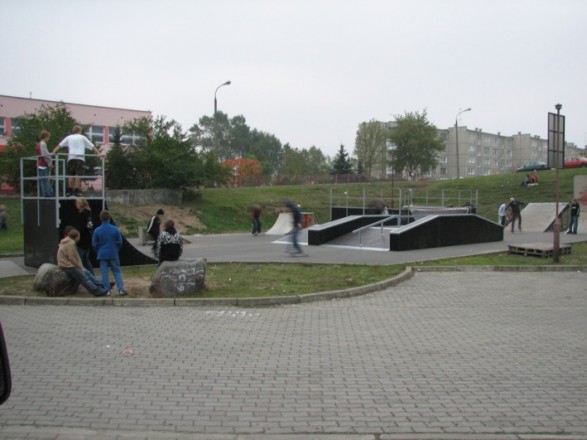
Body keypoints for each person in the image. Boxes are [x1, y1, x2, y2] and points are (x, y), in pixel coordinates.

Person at [57, 228, 109, 297]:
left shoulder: (68, 242)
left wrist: (80, 266)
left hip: (68, 265)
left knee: (87, 272)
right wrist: (79, 266)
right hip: (68, 266)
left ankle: (101, 284)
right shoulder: (70, 244)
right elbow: (72, 258)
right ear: (76, 237)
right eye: (79, 236)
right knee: (84, 278)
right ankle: (97, 291)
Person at [52, 125, 101, 197]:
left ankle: (70, 190)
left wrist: (53, 152)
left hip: (71, 157)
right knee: (78, 174)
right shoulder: (82, 137)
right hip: (80, 158)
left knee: (71, 174)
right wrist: (98, 153)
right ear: (79, 131)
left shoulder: (69, 137)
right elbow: (92, 146)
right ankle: (76, 190)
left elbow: (60, 145)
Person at [92, 210, 127, 296]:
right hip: (113, 253)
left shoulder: (97, 230)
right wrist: (116, 249)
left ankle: (107, 290)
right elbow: (120, 242)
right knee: (117, 272)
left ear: (100, 219)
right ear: (109, 218)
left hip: (102, 254)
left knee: (104, 273)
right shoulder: (115, 229)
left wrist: (99, 251)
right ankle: (121, 289)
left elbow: (94, 244)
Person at [73, 197, 95, 274]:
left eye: (77, 203)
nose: (76, 205)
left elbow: (81, 228)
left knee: (79, 261)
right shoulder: (89, 213)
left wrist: (76, 235)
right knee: (86, 260)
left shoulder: (82, 214)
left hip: (82, 240)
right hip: (88, 239)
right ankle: (92, 276)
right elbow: (90, 226)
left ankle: (82, 278)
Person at [36, 130, 54, 197]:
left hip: (40, 164)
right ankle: (48, 194)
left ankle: (45, 194)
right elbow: (45, 155)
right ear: (46, 137)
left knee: (42, 180)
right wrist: (50, 163)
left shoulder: (38, 144)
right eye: (48, 137)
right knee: (45, 180)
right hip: (43, 164)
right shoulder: (43, 144)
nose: (48, 139)